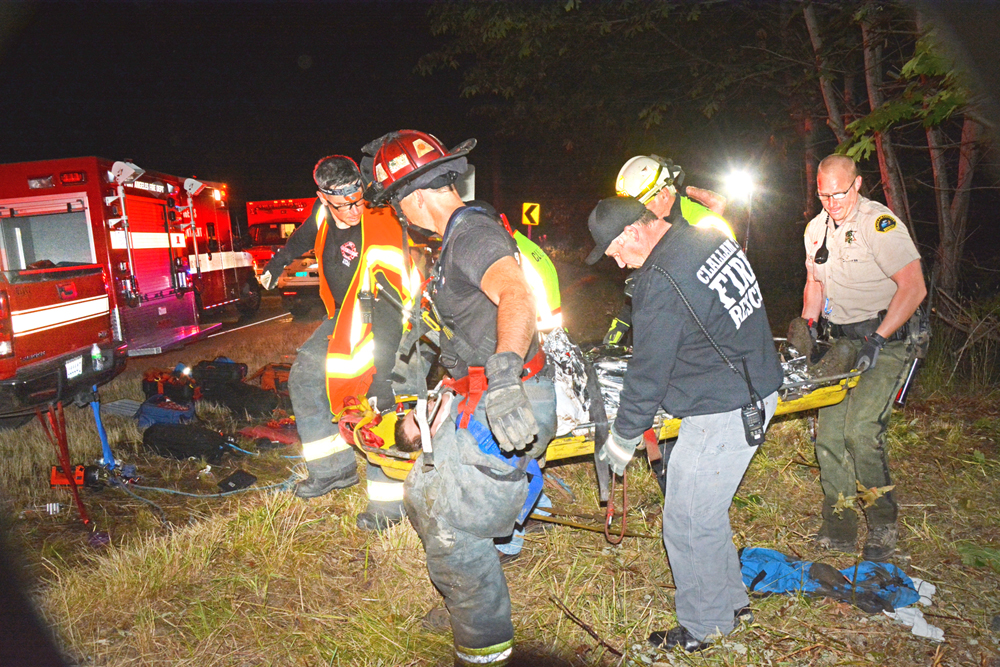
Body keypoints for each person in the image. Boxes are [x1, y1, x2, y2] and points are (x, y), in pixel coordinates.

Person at [368, 129, 557, 667]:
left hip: (509, 400)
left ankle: (483, 646)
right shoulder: (457, 236)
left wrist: (502, 378)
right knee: (421, 488)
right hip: (478, 394)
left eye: (396, 205)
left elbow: (515, 294)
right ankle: (468, 593)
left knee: (453, 526)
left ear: (412, 197)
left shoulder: (472, 236)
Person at [586, 196, 783, 653]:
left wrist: (623, 436)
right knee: (705, 512)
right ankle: (732, 604)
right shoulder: (706, 239)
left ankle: (704, 625)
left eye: (615, 251)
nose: (618, 264)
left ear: (634, 232)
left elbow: (648, 371)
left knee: (686, 518)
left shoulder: (660, 279)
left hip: (727, 408)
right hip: (750, 386)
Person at [259, 155, 414, 530]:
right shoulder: (323, 212)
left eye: (357, 200)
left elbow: (390, 305)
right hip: (343, 318)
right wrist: (278, 262)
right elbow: (303, 237)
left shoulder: (382, 221)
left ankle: (389, 504)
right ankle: (333, 470)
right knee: (305, 378)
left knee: (379, 401)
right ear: (323, 197)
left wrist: (384, 373)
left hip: (392, 320)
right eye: (341, 204)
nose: (352, 210)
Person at [797, 154, 926, 561]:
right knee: (830, 436)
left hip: (887, 339)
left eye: (839, 192)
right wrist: (807, 327)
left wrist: (879, 337)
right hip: (844, 341)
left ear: (856, 185)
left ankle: (883, 524)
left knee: (861, 431)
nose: (832, 202)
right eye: (823, 194)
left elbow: (914, 287)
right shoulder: (816, 229)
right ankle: (839, 526)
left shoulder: (878, 223)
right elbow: (814, 283)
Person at [605, 154, 733, 346]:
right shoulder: (658, 227)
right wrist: (626, 316)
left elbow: (709, 296)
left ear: (663, 194)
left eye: (643, 206)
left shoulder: (706, 224)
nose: (638, 216)